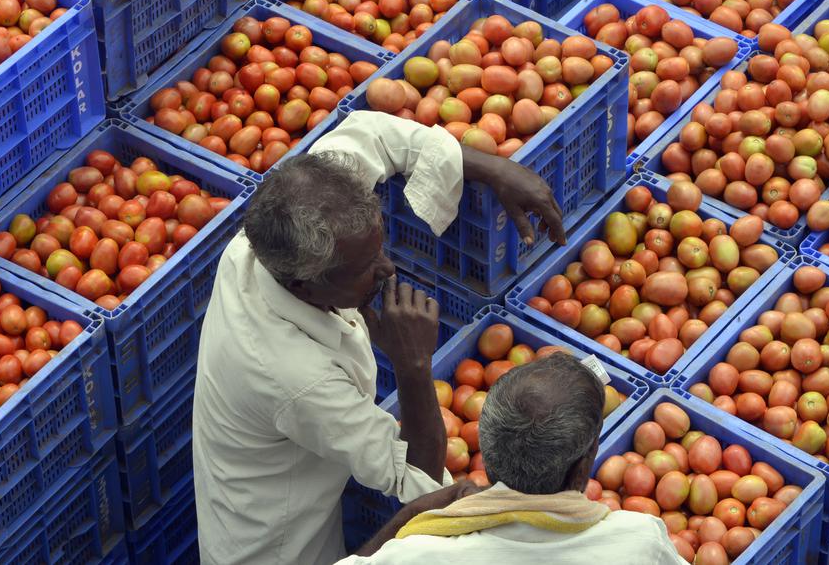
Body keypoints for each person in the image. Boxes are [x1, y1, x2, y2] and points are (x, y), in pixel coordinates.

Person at [192, 110, 567, 565]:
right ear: (306, 286)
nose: (388, 268)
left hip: (296, 482)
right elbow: (422, 481)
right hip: (276, 548)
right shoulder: (292, 378)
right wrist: (413, 367)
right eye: (363, 269)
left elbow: (373, 134)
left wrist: (492, 167)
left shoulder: (287, 226)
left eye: (380, 248)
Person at [336, 353, 685, 564]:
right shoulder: (639, 542)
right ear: (583, 468)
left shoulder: (419, 556)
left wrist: (411, 513)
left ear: (486, 455)